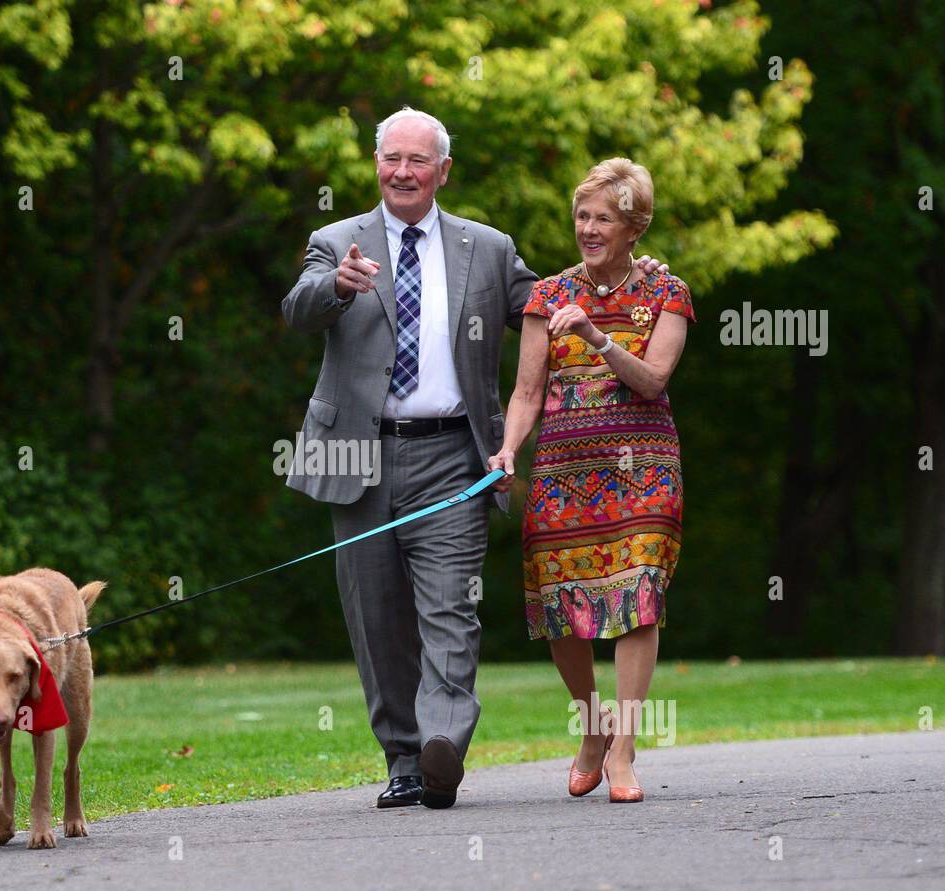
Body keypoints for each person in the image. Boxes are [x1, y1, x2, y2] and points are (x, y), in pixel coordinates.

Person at [282, 111, 666, 809]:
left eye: (417, 161)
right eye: (391, 158)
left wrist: (635, 271)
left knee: (451, 611)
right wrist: (337, 285)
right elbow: (298, 308)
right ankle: (403, 756)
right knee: (377, 616)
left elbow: (558, 299)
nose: (402, 171)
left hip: (455, 453)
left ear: (443, 171)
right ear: (375, 163)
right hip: (357, 455)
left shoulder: (484, 248)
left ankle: (443, 746)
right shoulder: (336, 241)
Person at [488, 157, 694, 803]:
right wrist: (506, 450)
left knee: (639, 593)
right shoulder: (546, 296)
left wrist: (598, 338)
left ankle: (626, 748)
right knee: (561, 607)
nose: (588, 228)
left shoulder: (668, 292)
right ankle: (593, 723)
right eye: (582, 215)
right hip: (562, 470)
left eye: (604, 217)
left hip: (643, 469)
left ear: (635, 227)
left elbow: (654, 379)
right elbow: (526, 391)